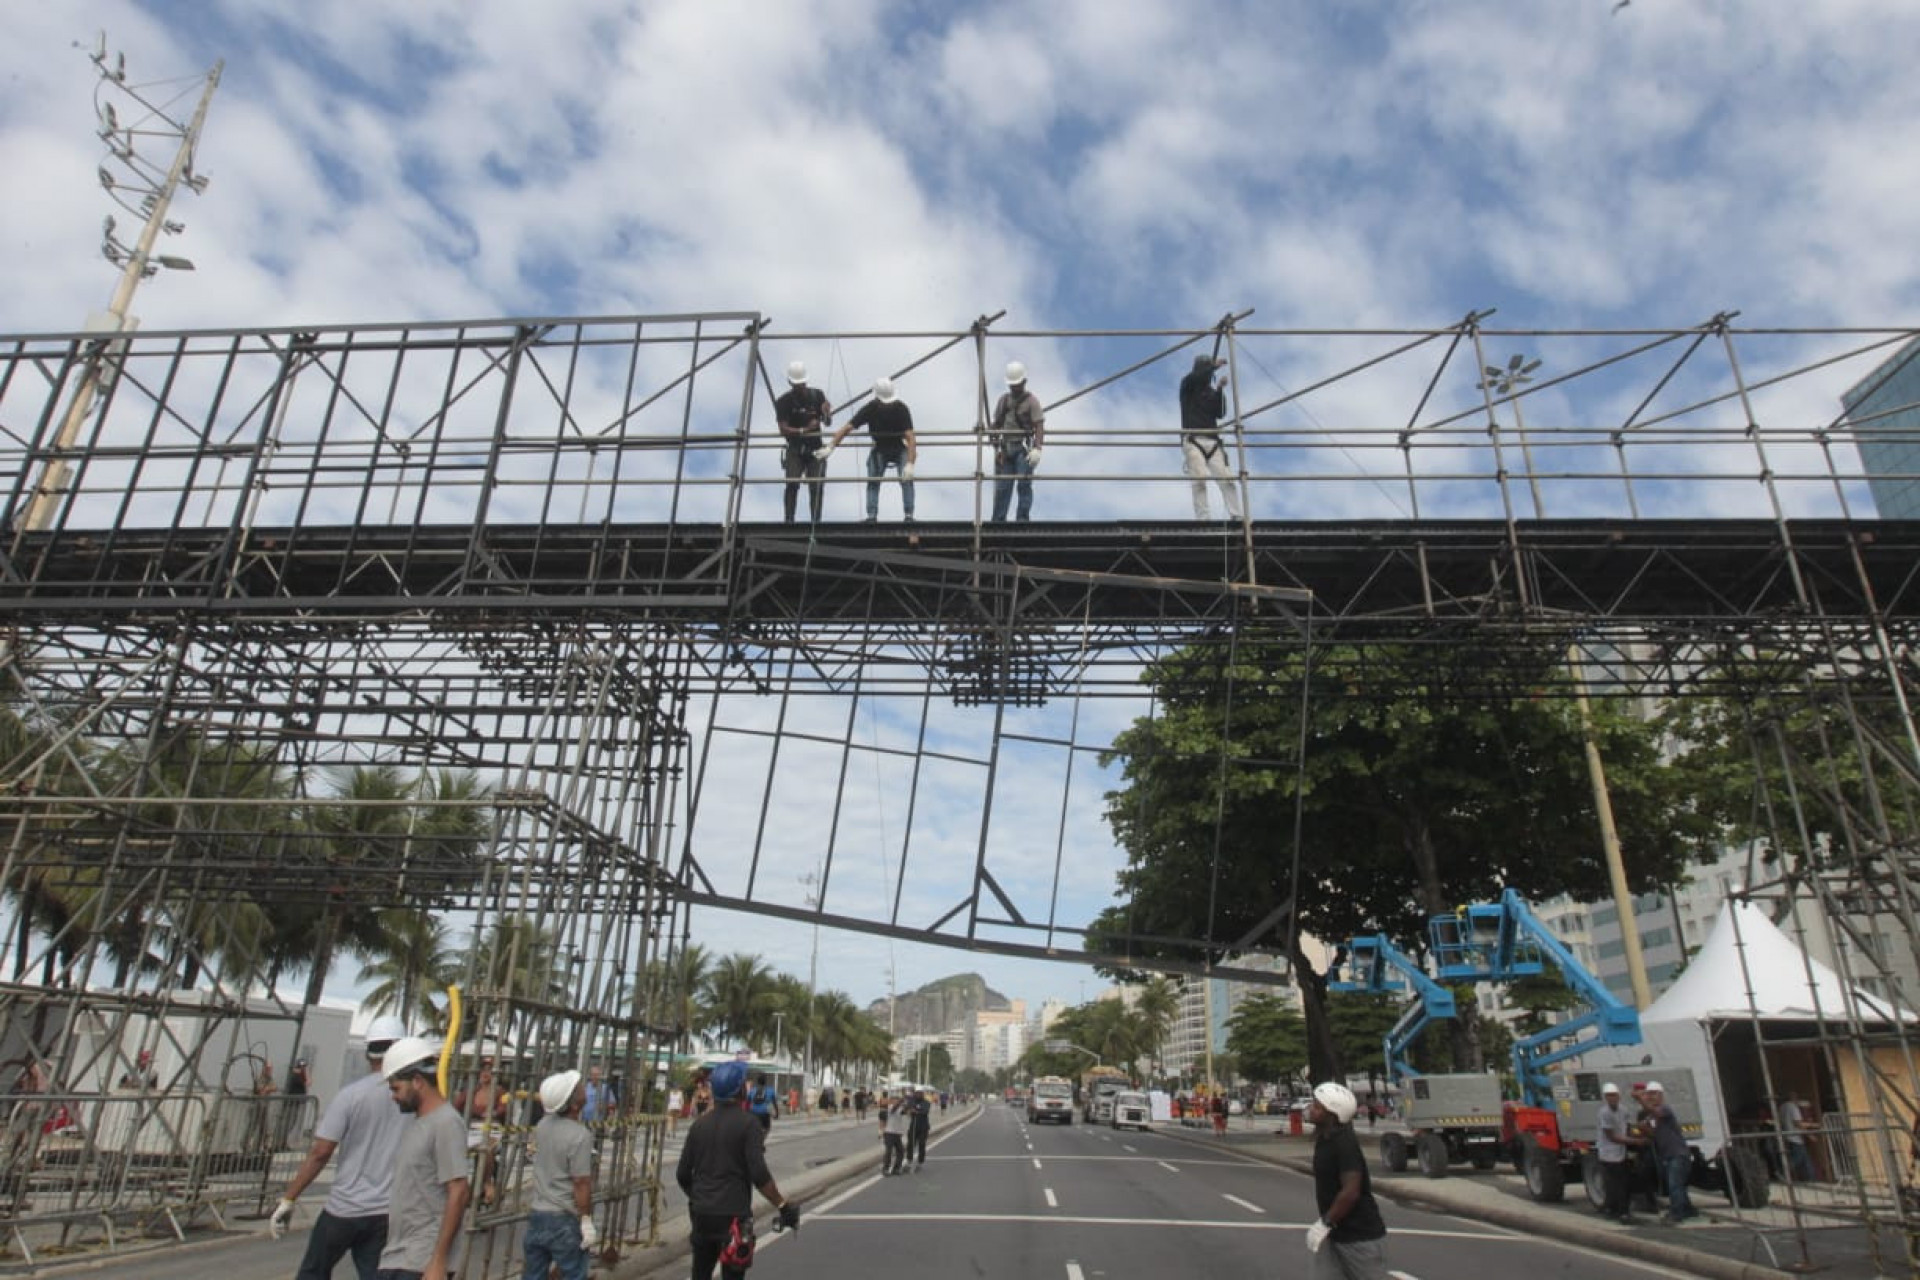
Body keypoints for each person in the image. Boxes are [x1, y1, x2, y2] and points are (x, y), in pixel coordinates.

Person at [274, 1017, 412, 1280]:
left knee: (313, 1273)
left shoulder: (351, 1095)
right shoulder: (413, 1098)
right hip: (386, 1211)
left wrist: (289, 1197)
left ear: (367, 1051)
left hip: (344, 1209)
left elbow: (320, 1152)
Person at [675, 1060, 800, 1280]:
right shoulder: (748, 1124)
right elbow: (759, 1174)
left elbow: (682, 1174)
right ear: (740, 1089)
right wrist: (782, 1205)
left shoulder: (699, 1125)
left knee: (700, 1273)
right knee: (733, 1274)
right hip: (733, 1217)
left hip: (702, 1215)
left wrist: (700, 1197)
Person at [1304, 1081, 1390, 1280]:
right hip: (1336, 1235)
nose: (1311, 1110)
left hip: (1360, 1238)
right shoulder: (1325, 1138)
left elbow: (1351, 1191)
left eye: (1317, 1107)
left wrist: (1325, 1223)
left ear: (1332, 1113)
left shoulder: (1344, 1143)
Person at [522, 1069, 600, 1280]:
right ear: (573, 1104)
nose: (585, 1088)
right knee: (573, 1273)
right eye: (579, 1088)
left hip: (538, 1214)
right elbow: (581, 1182)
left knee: (533, 1274)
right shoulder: (580, 1136)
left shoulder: (543, 1125)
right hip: (563, 1218)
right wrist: (585, 1220)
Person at [820, 377, 917, 522]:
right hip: (880, 448)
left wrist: (910, 463)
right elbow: (848, 428)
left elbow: (910, 438)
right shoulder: (871, 409)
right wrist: (830, 446)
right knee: (873, 480)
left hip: (898, 447)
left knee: (907, 479)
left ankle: (909, 515)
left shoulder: (900, 408)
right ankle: (872, 516)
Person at [1178, 353, 1243, 521]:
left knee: (1227, 479)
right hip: (1193, 440)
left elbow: (1220, 412)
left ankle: (1236, 514)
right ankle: (1203, 518)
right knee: (1199, 479)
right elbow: (1197, 377)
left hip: (1212, 441)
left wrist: (1220, 390)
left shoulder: (1210, 392)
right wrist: (1214, 366)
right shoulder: (1188, 385)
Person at [985, 361, 1045, 522]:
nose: (1013, 388)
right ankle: (998, 521)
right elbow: (996, 423)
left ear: (1023, 382)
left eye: (1016, 384)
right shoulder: (1004, 400)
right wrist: (992, 435)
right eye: (1011, 385)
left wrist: (1038, 449)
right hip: (1006, 449)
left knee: (1024, 485)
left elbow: (1039, 425)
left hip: (1022, 448)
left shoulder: (1031, 401)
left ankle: (1022, 520)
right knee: (1003, 487)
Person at [774, 361, 831, 524]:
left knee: (817, 486)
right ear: (791, 383)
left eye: (802, 383)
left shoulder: (817, 395)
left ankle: (816, 521)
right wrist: (804, 430)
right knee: (792, 483)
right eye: (797, 384)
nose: (801, 387)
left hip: (815, 448)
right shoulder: (783, 402)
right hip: (795, 449)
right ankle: (789, 520)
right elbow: (783, 429)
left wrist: (827, 413)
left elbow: (827, 422)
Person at [1642, 1081, 1698, 1224]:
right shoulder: (1653, 1117)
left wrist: (1640, 1099)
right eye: (1648, 1094)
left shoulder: (1665, 1109)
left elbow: (1656, 1113)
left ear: (1661, 1095)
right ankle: (1687, 1209)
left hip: (1677, 1155)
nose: (1650, 1097)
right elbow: (1653, 1134)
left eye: (1653, 1094)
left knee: (1675, 1184)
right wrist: (1643, 1128)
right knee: (1678, 1184)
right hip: (1668, 1155)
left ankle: (1676, 1214)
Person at [1595, 1082, 1639, 1224]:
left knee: (1622, 1182)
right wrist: (1633, 1142)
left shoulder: (1623, 1110)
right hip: (1608, 1153)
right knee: (1616, 1183)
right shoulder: (1604, 1113)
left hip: (1621, 1152)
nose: (1612, 1098)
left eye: (1614, 1095)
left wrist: (1635, 1135)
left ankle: (1613, 1208)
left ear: (1618, 1096)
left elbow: (1627, 1127)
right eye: (1609, 1096)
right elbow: (1611, 1136)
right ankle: (1621, 1211)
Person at [1778, 1092, 1817, 1183]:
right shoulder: (1793, 1107)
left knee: (1805, 1158)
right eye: (1796, 1098)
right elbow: (1798, 1124)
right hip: (1795, 1137)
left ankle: (1811, 1178)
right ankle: (1782, 1172)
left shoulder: (1782, 1107)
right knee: (1797, 1158)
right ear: (1793, 1098)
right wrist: (1810, 1133)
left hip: (1787, 1136)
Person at [907, 1088, 931, 1170]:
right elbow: (909, 1107)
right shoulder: (912, 1101)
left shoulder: (926, 1102)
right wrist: (912, 1110)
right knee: (910, 1144)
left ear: (922, 1094)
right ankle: (909, 1160)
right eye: (917, 1093)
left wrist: (916, 1111)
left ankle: (920, 1162)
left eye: (920, 1093)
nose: (918, 1095)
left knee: (921, 1144)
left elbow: (925, 1111)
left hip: (923, 1127)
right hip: (913, 1126)